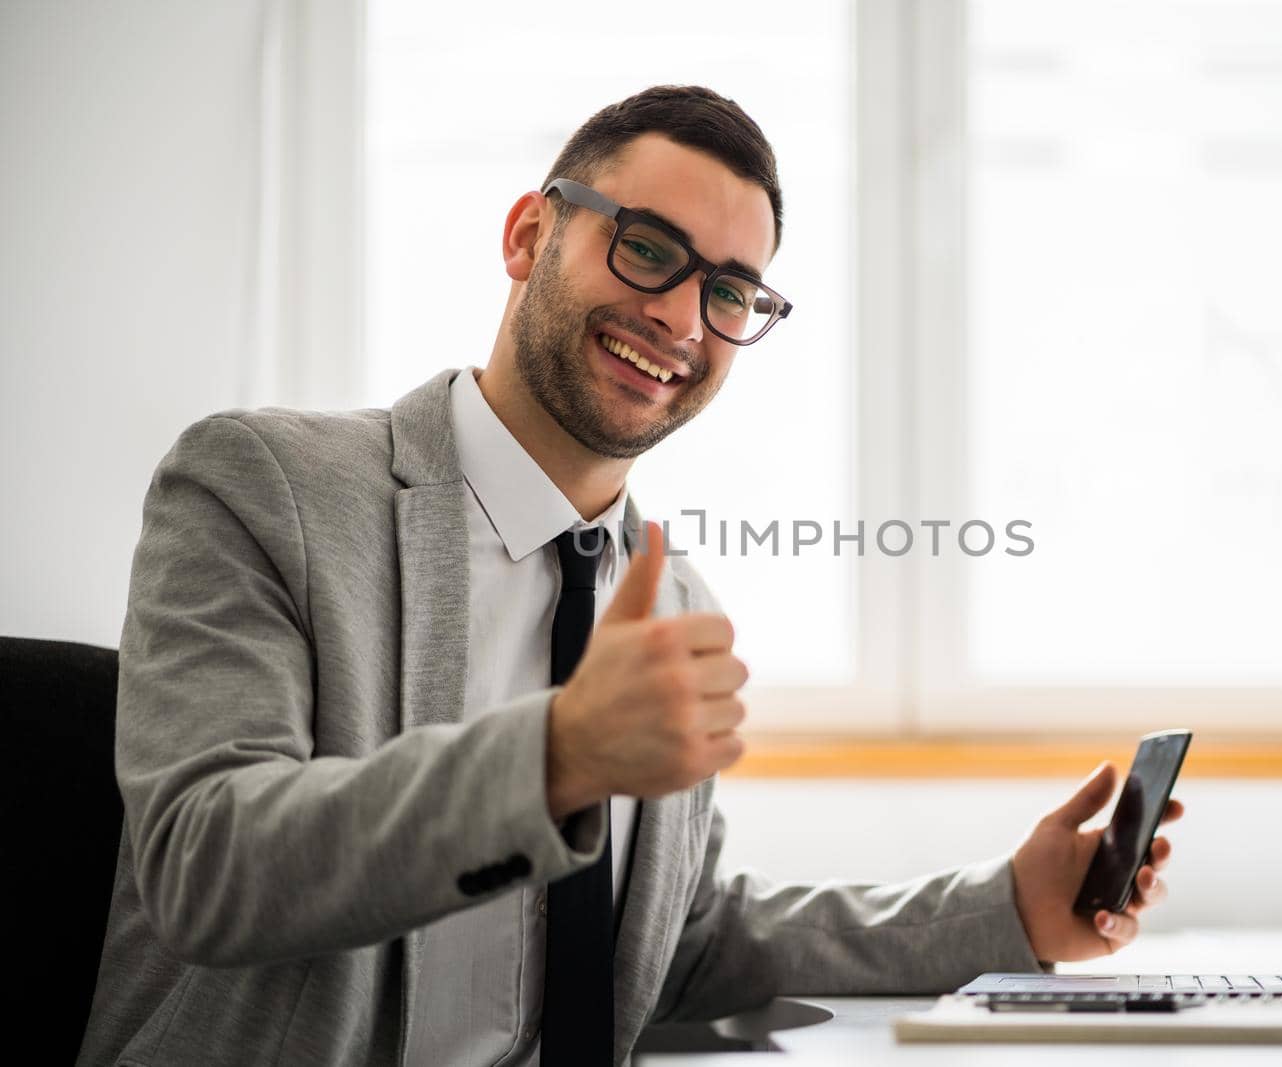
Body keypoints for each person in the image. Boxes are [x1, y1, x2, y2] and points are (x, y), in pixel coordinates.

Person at [79, 85, 1181, 1066]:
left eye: (731, 294)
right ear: (528, 233)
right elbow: (206, 860)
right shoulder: (265, 485)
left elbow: (677, 941)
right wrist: (555, 757)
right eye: (649, 248)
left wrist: (1006, 912)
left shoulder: (674, 601)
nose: (680, 318)